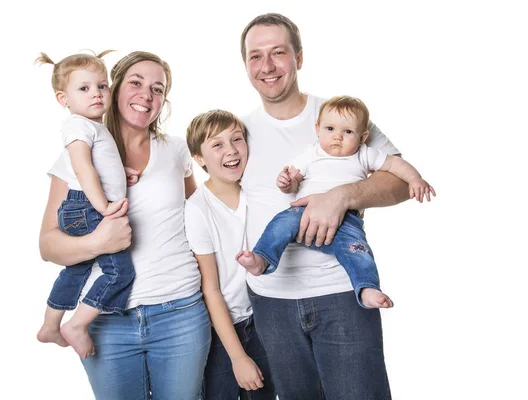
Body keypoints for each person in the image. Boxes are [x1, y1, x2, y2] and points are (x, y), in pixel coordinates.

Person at [238, 13, 411, 399]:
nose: (267, 66)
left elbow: (399, 180)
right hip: (271, 302)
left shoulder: (339, 117)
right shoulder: (240, 130)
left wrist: (343, 196)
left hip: (342, 295)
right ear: (246, 65)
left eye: (278, 52)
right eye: (255, 56)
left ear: (299, 58)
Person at [39, 51, 211, 399]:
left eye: (158, 88)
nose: (146, 95)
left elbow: (202, 220)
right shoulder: (79, 154)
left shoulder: (176, 151)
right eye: (136, 82)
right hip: (105, 324)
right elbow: (47, 245)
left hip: (180, 313)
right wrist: (98, 244)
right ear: (114, 88)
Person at [237, 95, 435, 309]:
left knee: (357, 250)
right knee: (279, 224)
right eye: (330, 129)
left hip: (346, 221)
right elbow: (294, 180)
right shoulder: (311, 154)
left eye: (347, 132)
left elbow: (395, 164)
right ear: (318, 129)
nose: (337, 137)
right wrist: (287, 183)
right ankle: (262, 258)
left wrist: (415, 179)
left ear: (362, 136)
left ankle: (366, 287)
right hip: (301, 213)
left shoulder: (364, 154)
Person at [35, 50, 137, 360]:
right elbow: (83, 168)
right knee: (120, 274)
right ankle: (77, 324)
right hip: (86, 207)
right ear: (62, 99)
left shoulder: (93, 127)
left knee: (76, 269)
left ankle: (50, 324)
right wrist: (103, 206)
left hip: (83, 205)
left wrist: (122, 173)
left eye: (101, 86)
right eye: (84, 88)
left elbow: (99, 164)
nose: (96, 94)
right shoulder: (78, 126)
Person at [184, 110, 275, 399]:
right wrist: (237, 357)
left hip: (262, 320)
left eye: (237, 139)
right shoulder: (198, 209)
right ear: (199, 159)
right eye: (217, 144)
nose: (232, 150)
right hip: (222, 331)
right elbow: (210, 288)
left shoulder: (257, 193)